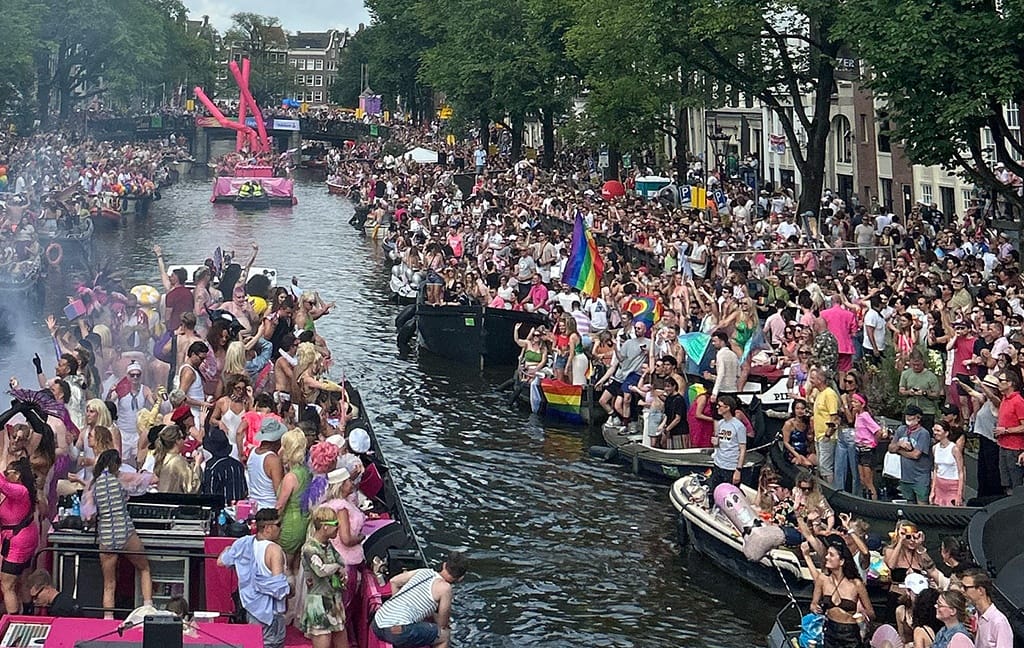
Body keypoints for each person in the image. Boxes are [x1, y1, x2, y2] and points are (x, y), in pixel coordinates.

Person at [91, 449, 152, 618]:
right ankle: (148, 608)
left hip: (106, 534)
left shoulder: (95, 484)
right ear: (116, 464)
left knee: (109, 583)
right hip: (124, 530)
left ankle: (108, 618)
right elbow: (149, 481)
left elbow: (88, 513)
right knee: (144, 568)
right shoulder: (120, 478)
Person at [218, 508, 289, 648]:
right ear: (268, 528)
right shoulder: (274, 550)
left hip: (250, 609)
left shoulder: (244, 543)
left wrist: (228, 550)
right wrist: (291, 589)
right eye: (279, 525)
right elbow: (278, 589)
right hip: (271, 613)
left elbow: (221, 561)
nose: (281, 529)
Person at [371, 550, 468, 648]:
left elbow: (394, 581)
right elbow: (442, 625)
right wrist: (435, 615)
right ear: (460, 578)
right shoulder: (445, 589)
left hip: (377, 622)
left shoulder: (424, 571)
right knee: (444, 636)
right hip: (395, 631)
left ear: (444, 565)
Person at [299, 506, 349, 648]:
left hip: (334, 599)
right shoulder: (309, 548)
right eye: (336, 525)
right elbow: (321, 570)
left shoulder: (328, 544)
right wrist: (337, 567)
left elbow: (340, 560)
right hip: (318, 603)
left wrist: (341, 570)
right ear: (325, 527)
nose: (338, 528)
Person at [809, 542, 875, 648]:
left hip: (850, 632)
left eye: (831, 555)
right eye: (827, 554)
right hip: (830, 629)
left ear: (842, 561)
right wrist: (814, 607)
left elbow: (871, 613)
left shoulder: (856, 584)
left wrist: (863, 615)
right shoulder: (822, 579)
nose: (826, 557)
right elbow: (813, 604)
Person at [0, 458, 38, 613]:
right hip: (25, 537)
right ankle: (29, 613)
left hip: (18, 542)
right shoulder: (22, 491)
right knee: (22, 579)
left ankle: (13, 620)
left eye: (8, 472)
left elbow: (2, 485)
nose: (5, 475)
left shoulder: (20, 491)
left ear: (17, 475)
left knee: (7, 584)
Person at [275, 428, 311, 569]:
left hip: (290, 524)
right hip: (303, 521)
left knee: (285, 566)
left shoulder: (291, 477)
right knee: (296, 566)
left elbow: (280, 506)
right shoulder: (305, 471)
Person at [889, 405, 934, 504]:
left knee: (922, 504)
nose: (908, 418)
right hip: (906, 477)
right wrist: (899, 444)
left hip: (920, 477)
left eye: (911, 416)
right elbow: (890, 448)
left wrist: (899, 451)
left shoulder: (923, 433)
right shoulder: (901, 430)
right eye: (907, 416)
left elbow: (916, 455)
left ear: (918, 418)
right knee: (909, 504)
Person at [994, 370, 1024, 494]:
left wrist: (1006, 431)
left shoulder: (1018, 401)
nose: (998, 383)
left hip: (1015, 448)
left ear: (1010, 383)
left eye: (1001, 380)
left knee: (1016, 482)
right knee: (1005, 482)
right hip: (1003, 446)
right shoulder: (1005, 399)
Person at [709, 395, 746, 494]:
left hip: (731, 467)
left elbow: (742, 449)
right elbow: (719, 444)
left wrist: (738, 470)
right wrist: (716, 444)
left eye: (720, 406)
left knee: (729, 494)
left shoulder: (738, 426)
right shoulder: (720, 423)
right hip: (718, 464)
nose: (717, 408)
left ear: (727, 408)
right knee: (713, 492)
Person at [200, 429, 248, 506]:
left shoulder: (212, 467)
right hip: (239, 509)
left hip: (220, 511)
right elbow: (245, 490)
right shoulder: (238, 465)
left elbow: (209, 495)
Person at [248, 418, 285, 511]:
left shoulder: (252, 452)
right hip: (269, 508)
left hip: (254, 506)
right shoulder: (273, 460)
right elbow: (278, 492)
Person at [810, 367, 840, 483]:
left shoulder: (829, 394)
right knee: (821, 466)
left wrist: (827, 435)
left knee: (826, 467)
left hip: (827, 436)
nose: (811, 381)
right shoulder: (819, 393)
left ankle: (831, 489)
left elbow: (834, 416)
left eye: (813, 378)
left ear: (820, 379)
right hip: (819, 436)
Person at [930, 421, 965, 506]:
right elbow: (936, 469)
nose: (935, 433)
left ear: (946, 433)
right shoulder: (935, 448)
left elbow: (961, 472)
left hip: (953, 486)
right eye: (934, 430)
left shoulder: (954, 449)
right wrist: (932, 490)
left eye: (938, 431)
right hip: (939, 485)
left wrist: (959, 494)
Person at [782, 399, 816, 468]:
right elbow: (786, 442)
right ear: (794, 410)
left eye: (802, 408)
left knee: (818, 462)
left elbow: (810, 439)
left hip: (806, 451)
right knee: (808, 464)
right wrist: (797, 455)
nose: (800, 411)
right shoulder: (789, 424)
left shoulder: (807, 422)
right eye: (797, 408)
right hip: (792, 453)